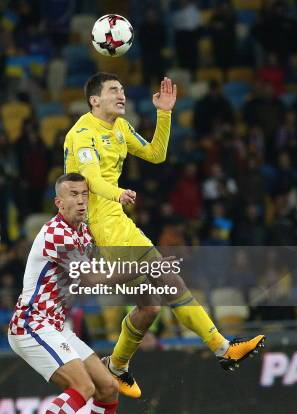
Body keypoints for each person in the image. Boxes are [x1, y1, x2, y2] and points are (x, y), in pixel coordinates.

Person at [63, 72, 265, 397]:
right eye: (114, 90)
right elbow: (88, 178)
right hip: (102, 223)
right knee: (169, 282)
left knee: (151, 306)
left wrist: (165, 113)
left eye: (123, 89)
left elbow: (156, 154)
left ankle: (116, 366)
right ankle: (221, 347)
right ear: (94, 100)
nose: (122, 95)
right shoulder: (82, 134)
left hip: (118, 220)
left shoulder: (121, 127)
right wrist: (116, 195)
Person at [7, 173, 119, 414]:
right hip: (31, 323)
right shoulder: (55, 234)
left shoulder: (85, 233)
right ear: (59, 202)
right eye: (73, 194)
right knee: (83, 386)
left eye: (84, 194)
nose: (81, 200)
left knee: (108, 387)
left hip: (56, 325)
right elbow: (92, 278)